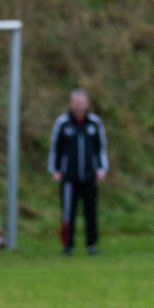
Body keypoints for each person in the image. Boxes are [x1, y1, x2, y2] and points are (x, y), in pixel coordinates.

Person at [49, 88, 109, 256]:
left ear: (86, 104)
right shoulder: (62, 123)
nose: (78, 106)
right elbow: (55, 148)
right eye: (75, 103)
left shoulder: (94, 123)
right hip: (69, 177)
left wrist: (102, 169)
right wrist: (55, 170)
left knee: (91, 211)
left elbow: (101, 148)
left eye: (81, 103)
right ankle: (68, 246)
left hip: (90, 176)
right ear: (71, 103)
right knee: (68, 212)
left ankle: (91, 245)